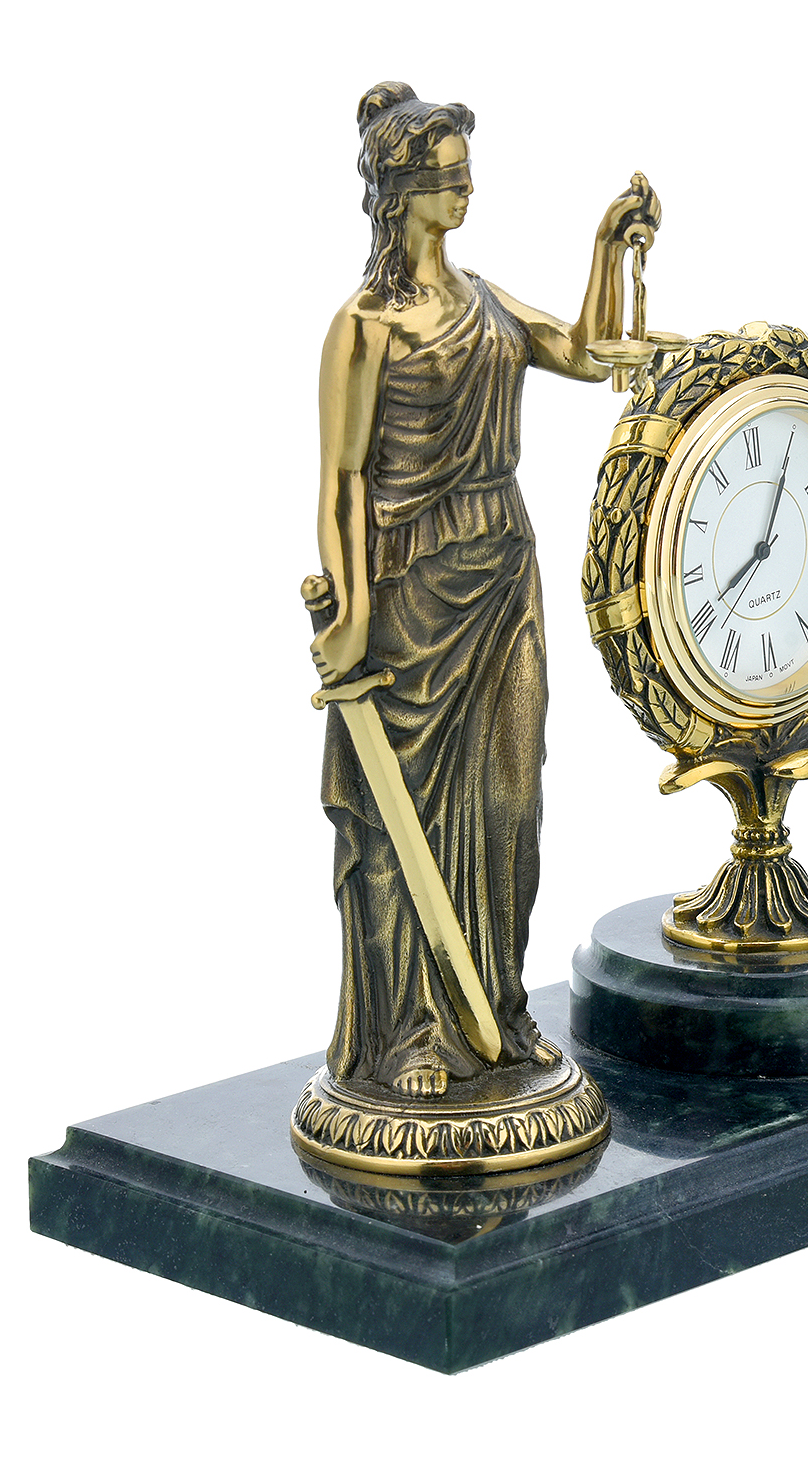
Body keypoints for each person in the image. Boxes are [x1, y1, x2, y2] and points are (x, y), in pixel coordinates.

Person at [306, 81, 658, 1098]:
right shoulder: (363, 327)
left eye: (468, 175)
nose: (466, 191)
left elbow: (587, 354)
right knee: (407, 815)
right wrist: (352, 612)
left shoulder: (487, 302)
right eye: (448, 179)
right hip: (410, 596)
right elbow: (341, 480)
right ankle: (413, 1033)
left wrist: (608, 249)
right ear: (400, 191)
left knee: (509, 800)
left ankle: (496, 1007)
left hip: (504, 575)